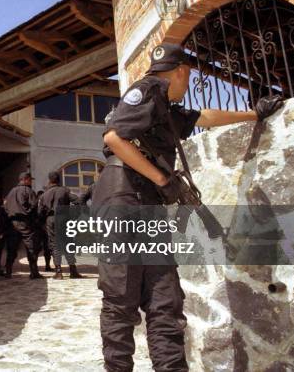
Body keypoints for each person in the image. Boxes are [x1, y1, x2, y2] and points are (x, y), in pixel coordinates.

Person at [91, 42, 283, 371]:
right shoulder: (150, 88)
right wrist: (163, 180)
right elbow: (114, 137)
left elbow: (204, 117)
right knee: (121, 298)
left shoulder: (164, 106)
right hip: (122, 195)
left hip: (144, 199)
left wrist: (255, 113)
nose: (187, 86)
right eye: (189, 78)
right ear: (182, 71)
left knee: (165, 300)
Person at [38, 171, 83, 280]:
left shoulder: (44, 194)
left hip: (51, 220)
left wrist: (44, 222)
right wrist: (73, 215)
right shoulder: (65, 191)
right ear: (59, 180)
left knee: (54, 244)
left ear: (50, 180)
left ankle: (59, 272)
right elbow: (79, 201)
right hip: (64, 218)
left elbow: (40, 212)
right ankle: (73, 270)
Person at [4, 172, 43, 279]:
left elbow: (6, 207)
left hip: (12, 224)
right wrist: (30, 215)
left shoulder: (11, 192)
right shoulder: (28, 190)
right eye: (30, 180)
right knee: (31, 248)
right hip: (25, 223)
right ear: (25, 179)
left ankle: (8, 271)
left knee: (12, 248)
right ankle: (34, 272)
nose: (31, 182)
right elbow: (34, 206)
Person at [36, 189, 53, 272]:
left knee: (47, 248)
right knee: (36, 249)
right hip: (38, 230)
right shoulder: (35, 205)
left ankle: (47, 266)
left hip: (44, 229)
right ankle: (35, 268)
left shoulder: (44, 205)